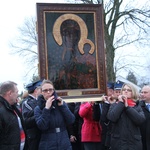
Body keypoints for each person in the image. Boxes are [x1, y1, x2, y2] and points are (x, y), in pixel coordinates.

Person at [34, 79, 75, 150]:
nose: (48, 92)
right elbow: (42, 126)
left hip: (64, 141)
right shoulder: (38, 108)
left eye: (50, 89)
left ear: (53, 91)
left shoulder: (60, 104)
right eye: (45, 90)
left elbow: (71, 120)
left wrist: (63, 106)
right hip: (48, 143)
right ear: (42, 92)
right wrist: (46, 108)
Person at [107, 83, 145, 150]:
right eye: (124, 89)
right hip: (118, 144)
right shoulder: (115, 105)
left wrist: (127, 108)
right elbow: (112, 117)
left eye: (129, 90)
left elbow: (140, 120)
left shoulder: (137, 106)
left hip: (134, 144)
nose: (126, 91)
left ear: (133, 92)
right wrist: (121, 103)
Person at [0, 81, 27, 150]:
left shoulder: (13, 107)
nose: (18, 95)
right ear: (10, 93)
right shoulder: (1, 110)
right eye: (16, 92)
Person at [21, 79, 43, 150]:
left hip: (40, 135)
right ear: (36, 90)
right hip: (33, 136)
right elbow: (26, 120)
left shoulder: (37, 101)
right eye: (41, 89)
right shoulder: (27, 102)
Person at [139, 85, 150, 150]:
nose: (142, 94)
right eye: (142, 92)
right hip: (143, 140)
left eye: (145, 92)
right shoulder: (138, 106)